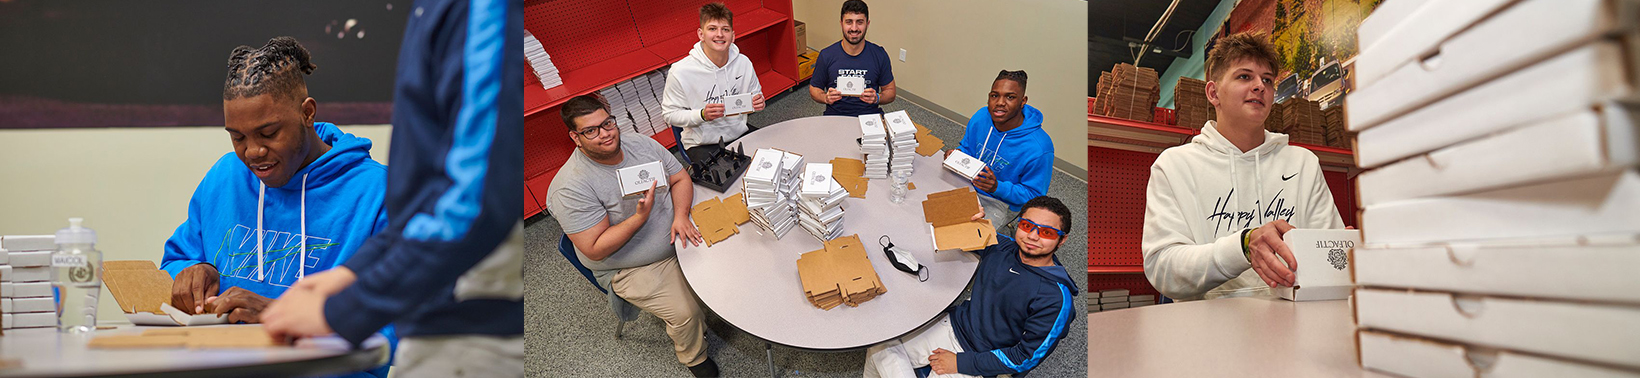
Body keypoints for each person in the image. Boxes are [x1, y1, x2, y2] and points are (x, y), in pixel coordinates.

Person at [260, 0, 526, 375]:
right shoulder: (429, 12)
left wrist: (342, 309)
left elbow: (473, 202)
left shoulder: (473, 10)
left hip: (475, 332)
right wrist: (349, 275)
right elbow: (425, 201)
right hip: (432, 328)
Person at [161, 36, 394, 378]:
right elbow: (175, 264)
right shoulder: (226, 176)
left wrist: (287, 319)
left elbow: (399, 327)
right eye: (237, 137)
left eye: (268, 133)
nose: (252, 152)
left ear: (307, 113)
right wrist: (193, 274)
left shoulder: (379, 193)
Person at [1141, 32, 1345, 301]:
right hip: (1205, 332)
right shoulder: (1174, 165)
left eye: (1268, 80)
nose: (1259, 86)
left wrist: (1343, 252)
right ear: (1214, 93)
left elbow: (1329, 257)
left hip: (1292, 325)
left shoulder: (1303, 163)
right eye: (1244, 76)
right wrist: (1244, 245)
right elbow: (1163, 268)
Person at [546, 95, 717, 377]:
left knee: (738, 252)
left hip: (676, 226)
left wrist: (680, 215)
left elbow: (679, 178)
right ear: (575, 137)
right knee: (685, 311)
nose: (605, 134)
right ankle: (695, 357)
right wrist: (640, 217)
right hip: (631, 264)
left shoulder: (639, 143)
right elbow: (595, 248)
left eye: (607, 123)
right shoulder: (570, 187)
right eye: (591, 131)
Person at [864, 196, 1079, 378]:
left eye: (1047, 232)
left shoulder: (1055, 298)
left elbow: (1024, 357)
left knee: (887, 358)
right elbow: (959, 231)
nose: (1032, 236)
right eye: (1027, 226)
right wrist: (967, 216)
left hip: (981, 355)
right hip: (953, 324)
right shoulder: (1004, 247)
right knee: (878, 343)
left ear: (1062, 240)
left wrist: (961, 363)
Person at [662, 2, 765, 162]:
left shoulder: (743, 62)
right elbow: (669, 115)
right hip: (702, 143)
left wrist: (759, 103)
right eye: (712, 29)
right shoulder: (680, 71)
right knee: (725, 182)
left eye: (725, 29)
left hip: (739, 133)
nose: (719, 34)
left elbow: (756, 96)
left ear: (733, 35)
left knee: (771, 163)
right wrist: (701, 115)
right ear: (701, 34)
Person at [946, 70, 1053, 223]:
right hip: (965, 182)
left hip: (1000, 202)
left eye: (1010, 97)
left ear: (1023, 101)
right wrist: (957, 155)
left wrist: (996, 187)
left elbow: (1033, 196)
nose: (1000, 102)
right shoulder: (982, 116)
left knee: (964, 239)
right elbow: (968, 148)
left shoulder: (1039, 148)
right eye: (994, 95)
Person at [807, 0, 896, 116]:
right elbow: (814, 89)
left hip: (870, 116)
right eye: (849, 22)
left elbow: (890, 92)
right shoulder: (826, 55)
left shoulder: (879, 54)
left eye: (859, 22)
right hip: (836, 115)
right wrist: (825, 98)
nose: (854, 28)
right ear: (841, 23)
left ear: (867, 24)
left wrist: (877, 98)